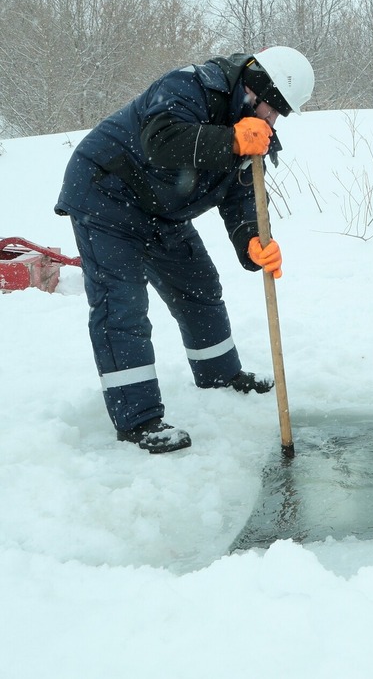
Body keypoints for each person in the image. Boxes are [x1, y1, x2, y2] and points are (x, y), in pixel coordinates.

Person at [55, 46, 315, 453]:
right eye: (273, 108)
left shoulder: (250, 131)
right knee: (122, 306)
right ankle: (138, 420)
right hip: (106, 193)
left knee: (200, 286)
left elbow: (240, 196)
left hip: (161, 210)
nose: (274, 119)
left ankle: (220, 377)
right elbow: (162, 140)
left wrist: (251, 241)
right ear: (254, 89)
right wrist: (230, 140)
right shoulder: (190, 86)